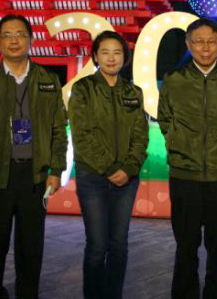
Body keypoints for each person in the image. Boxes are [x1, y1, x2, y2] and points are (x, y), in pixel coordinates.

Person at [0, 14, 68, 298]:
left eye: (20, 34)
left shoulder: (48, 80)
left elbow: (59, 129)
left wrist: (56, 170)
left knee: (31, 246)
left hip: (35, 175)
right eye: (7, 35)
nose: (14, 40)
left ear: (31, 39)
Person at [157, 17, 217, 299]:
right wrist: (179, 144)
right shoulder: (175, 80)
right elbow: (165, 119)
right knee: (185, 245)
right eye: (199, 42)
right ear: (188, 45)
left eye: (211, 41)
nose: (205, 47)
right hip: (184, 175)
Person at [69, 30, 149, 299]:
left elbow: (140, 135)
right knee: (97, 246)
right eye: (105, 52)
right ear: (95, 56)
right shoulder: (83, 89)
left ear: (125, 57)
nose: (111, 58)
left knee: (119, 246)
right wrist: (110, 169)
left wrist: (129, 168)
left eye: (117, 52)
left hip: (127, 179)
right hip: (93, 177)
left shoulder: (133, 92)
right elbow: (82, 135)